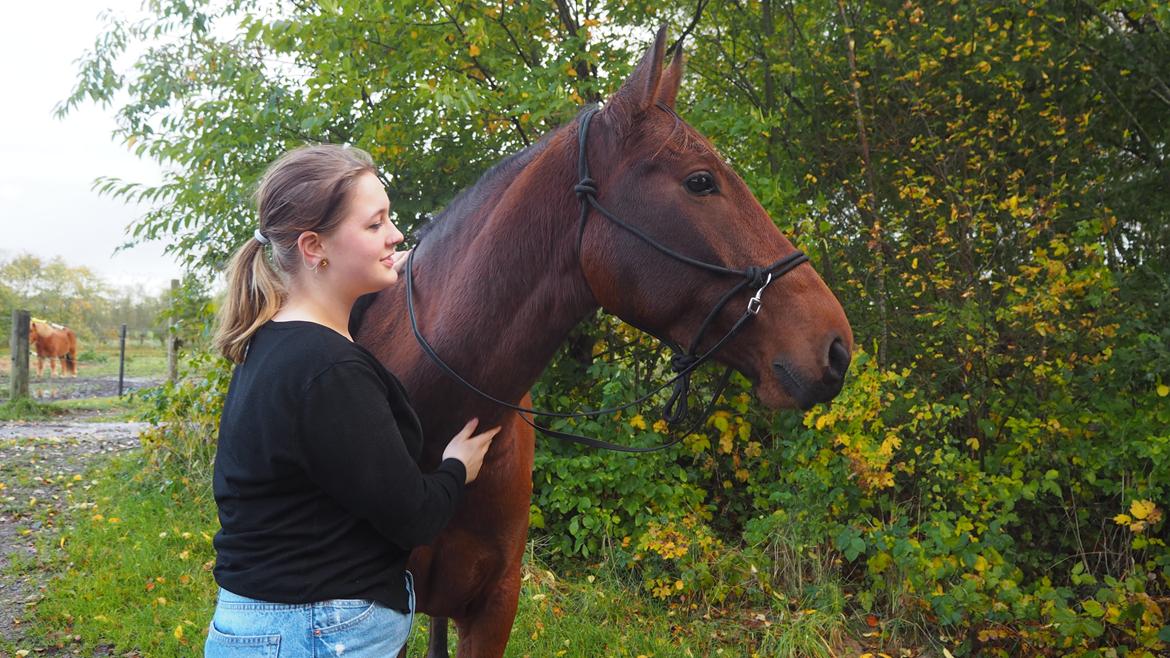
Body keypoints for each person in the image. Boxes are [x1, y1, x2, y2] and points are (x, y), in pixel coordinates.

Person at [204, 144, 499, 657]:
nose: (395, 235)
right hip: (317, 631)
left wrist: (382, 273)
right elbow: (414, 516)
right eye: (374, 224)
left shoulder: (277, 343)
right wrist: (457, 467)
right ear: (314, 247)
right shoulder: (329, 370)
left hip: (279, 624)